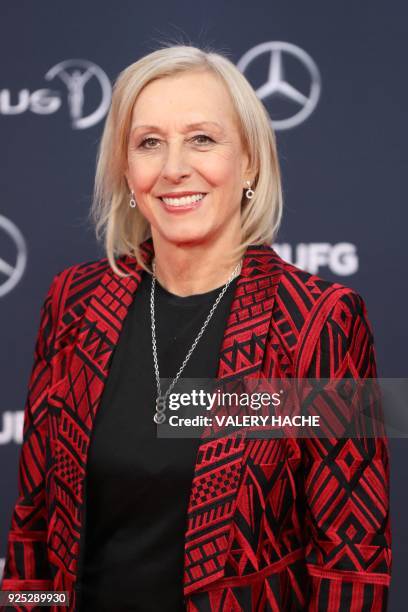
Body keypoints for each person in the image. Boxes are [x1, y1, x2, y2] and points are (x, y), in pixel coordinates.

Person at [1, 44, 391, 612]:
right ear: (127, 171)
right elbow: (33, 533)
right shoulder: (73, 305)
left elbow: (351, 560)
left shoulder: (320, 321)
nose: (174, 167)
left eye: (202, 139)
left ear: (250, 162)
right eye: (149, 143)